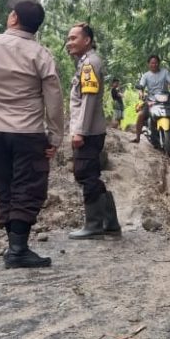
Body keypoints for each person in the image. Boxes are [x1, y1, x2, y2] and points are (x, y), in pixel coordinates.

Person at [0, 0, 64, 268]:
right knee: (27, 187)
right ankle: (18, 249)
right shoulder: (40, 54)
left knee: (4, 186)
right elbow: (54, 99)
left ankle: (15, 248)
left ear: (13, 19)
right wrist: (55, 137)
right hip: (28, 132)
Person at [64, 23, 122, 239]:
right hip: (90, 129)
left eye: (73, 38)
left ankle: (94, 225)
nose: (69, 42)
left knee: (86, 174)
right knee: (89, 174)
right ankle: (110, 222)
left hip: (88, 131)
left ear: (87, 40)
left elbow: (88, 101)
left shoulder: (89, 64)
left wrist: (80, 131)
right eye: (68, 38)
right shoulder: (86, 63)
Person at [131, 55, 170, 143]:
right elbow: (141, 87)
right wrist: (141, 93)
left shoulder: (165, 72)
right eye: (152, 63)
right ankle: (137, 137)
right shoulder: (145, 76)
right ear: (148, 64)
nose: (154, 65)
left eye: (156, 63)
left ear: (158, 63)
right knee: (141, 115)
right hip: (152, 100)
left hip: (166, 99)